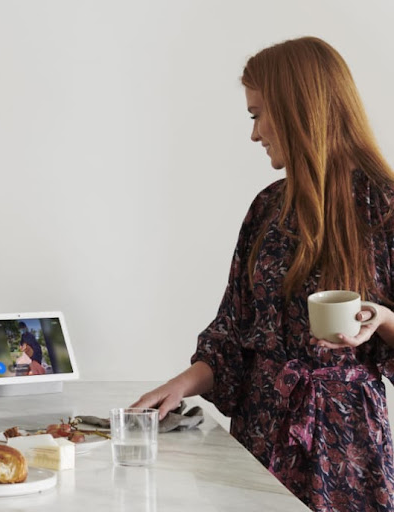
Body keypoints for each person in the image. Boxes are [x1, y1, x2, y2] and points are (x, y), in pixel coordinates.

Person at [132, 36, 394, 511]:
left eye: (257, 114)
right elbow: (233, 334)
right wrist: (174, 388)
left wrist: (385, 320)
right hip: (260, 436)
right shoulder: (268, 207)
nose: (254, 134)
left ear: (298, 109)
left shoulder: (384, 207)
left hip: (346, 448)